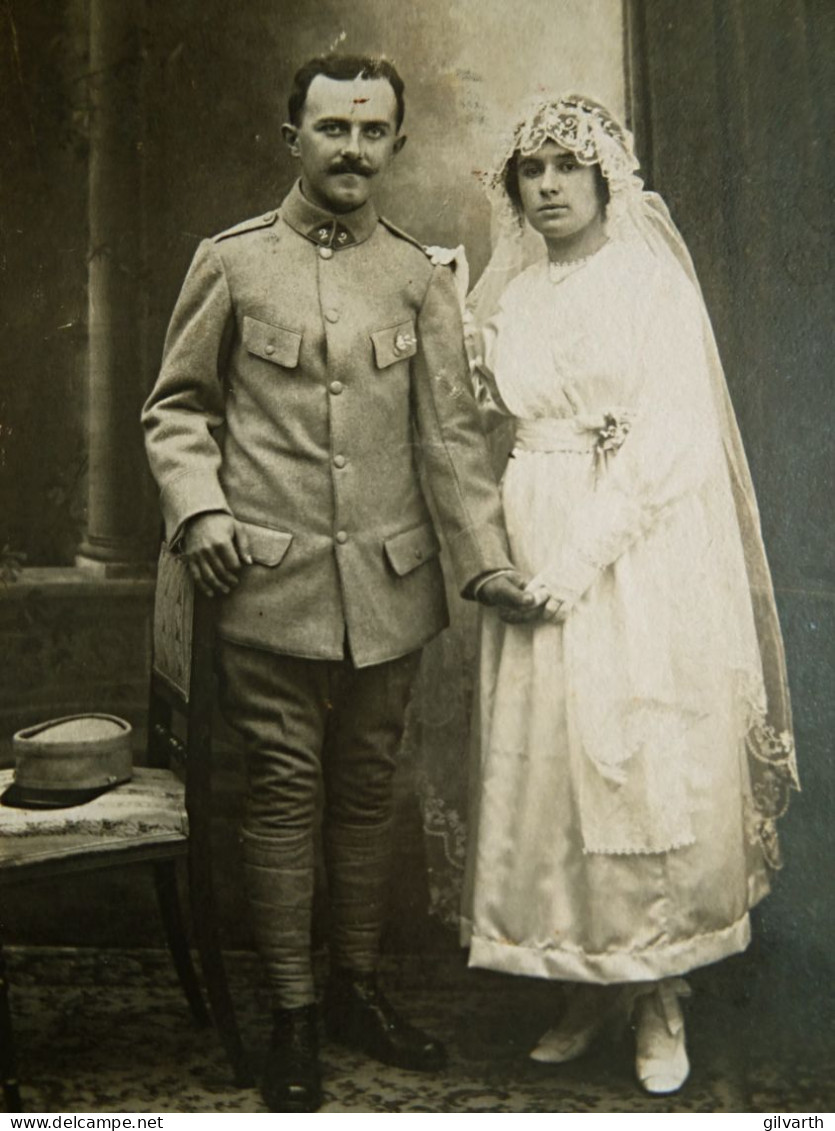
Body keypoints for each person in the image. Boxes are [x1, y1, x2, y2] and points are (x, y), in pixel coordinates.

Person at [141, 55, 535, 1112]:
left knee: (367, 797)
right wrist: (202, 511)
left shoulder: (416, 277)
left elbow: (450, 440)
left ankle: (354, 990)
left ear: (395, 145)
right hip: (266, 591)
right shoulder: (230, 264)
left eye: (372, 131)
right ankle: (293, 1016)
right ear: (292, 139)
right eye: (332, 129)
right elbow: (176, 412)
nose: (352, 149)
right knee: (279, 796)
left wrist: (486, 559)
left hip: (394, 587)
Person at [460, 94, 798, 1095]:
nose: (551, 186)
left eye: (569, 165)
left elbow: (673, 442)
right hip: (531, 526)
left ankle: (658, 987)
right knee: (552, 770)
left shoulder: (647, 281)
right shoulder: (505, 297)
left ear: (607, 175)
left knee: (635, 758)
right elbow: (478, 424)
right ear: (513, 187)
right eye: (533, 170)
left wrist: (577, 559)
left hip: (632, 553)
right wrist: (514, 555)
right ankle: (587, 977)